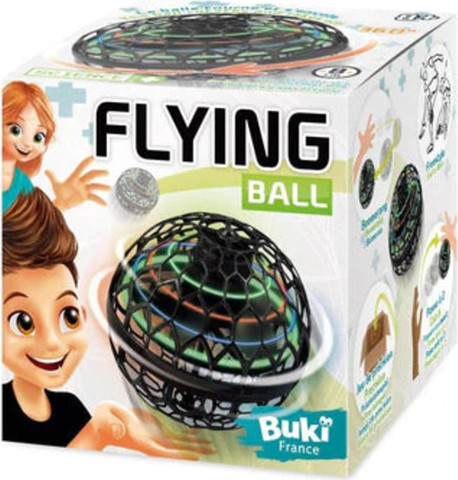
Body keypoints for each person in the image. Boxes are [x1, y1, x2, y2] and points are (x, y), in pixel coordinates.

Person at [2, 188, 208, 458]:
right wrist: (98, 433)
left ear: (82, 315)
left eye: (68, 317)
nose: (52, 342)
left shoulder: (71, 409)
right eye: (24, 323)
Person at [2, 81, 109, 214]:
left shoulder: (21, 183)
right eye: (16, 130)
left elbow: (31, 224)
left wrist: (61, 204)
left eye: (38, 137)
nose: (28, 143)